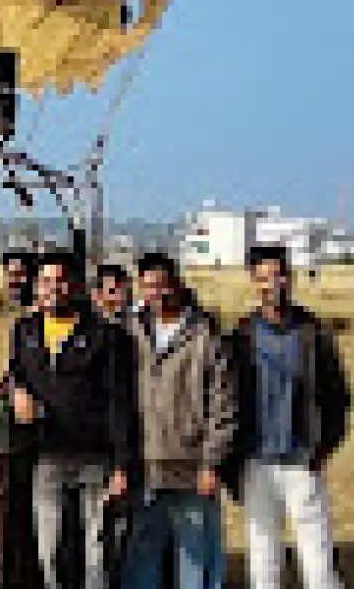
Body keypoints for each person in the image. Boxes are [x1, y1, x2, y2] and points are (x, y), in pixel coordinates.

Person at [7, 253, 136, 589]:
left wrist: (122, 466)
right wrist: (17, 390)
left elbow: (119, 402)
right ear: (36, 287)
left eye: (61, 281)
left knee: (98, 550)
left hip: (96, 458)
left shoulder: (105, 337)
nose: (53, 289)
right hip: (47, 455)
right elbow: (16, 372)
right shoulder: (24, 331)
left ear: (76, 286)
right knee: (50, 548)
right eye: (45, 281)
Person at [228, 245, 353, 589]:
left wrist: (322, 448)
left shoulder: (313, 333)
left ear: (291, 277)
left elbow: (338, 398)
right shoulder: (241, 336)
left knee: (317, 555)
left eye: (280, 276)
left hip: (302, 460)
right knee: (263, 552)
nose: (274, 285)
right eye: (264, 278)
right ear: (253, 281)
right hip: (256, 461)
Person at [123, 252, 237, 589]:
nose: (156, 294)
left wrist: (212, 463)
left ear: (177, 284)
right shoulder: (129, 332)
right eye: (148, 286)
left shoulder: (205, 335)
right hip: (144, 465)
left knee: (195, 562)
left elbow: (224, 404)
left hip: (191, 467)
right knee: (141, 561)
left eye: (162, 285)